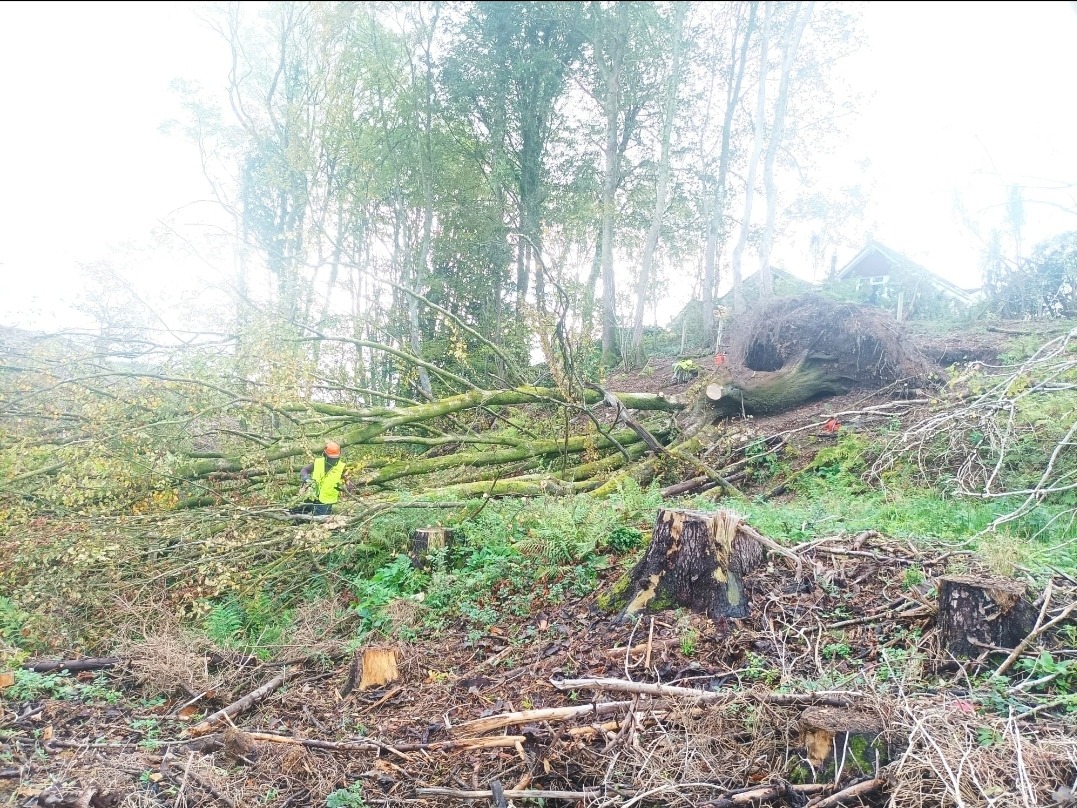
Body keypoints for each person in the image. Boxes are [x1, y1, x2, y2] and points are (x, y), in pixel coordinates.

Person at [292, 441, 347, 516]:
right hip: (311, 497)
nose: (333, 461)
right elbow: (304, 471)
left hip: (326, 502)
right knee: (296, 513)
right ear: (325, 455)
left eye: (335, 458)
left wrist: (344, 488)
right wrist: (307, 479)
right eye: (331, 458)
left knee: (318, 520)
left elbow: (350, 485)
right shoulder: (318, 462)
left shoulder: (342, 468)